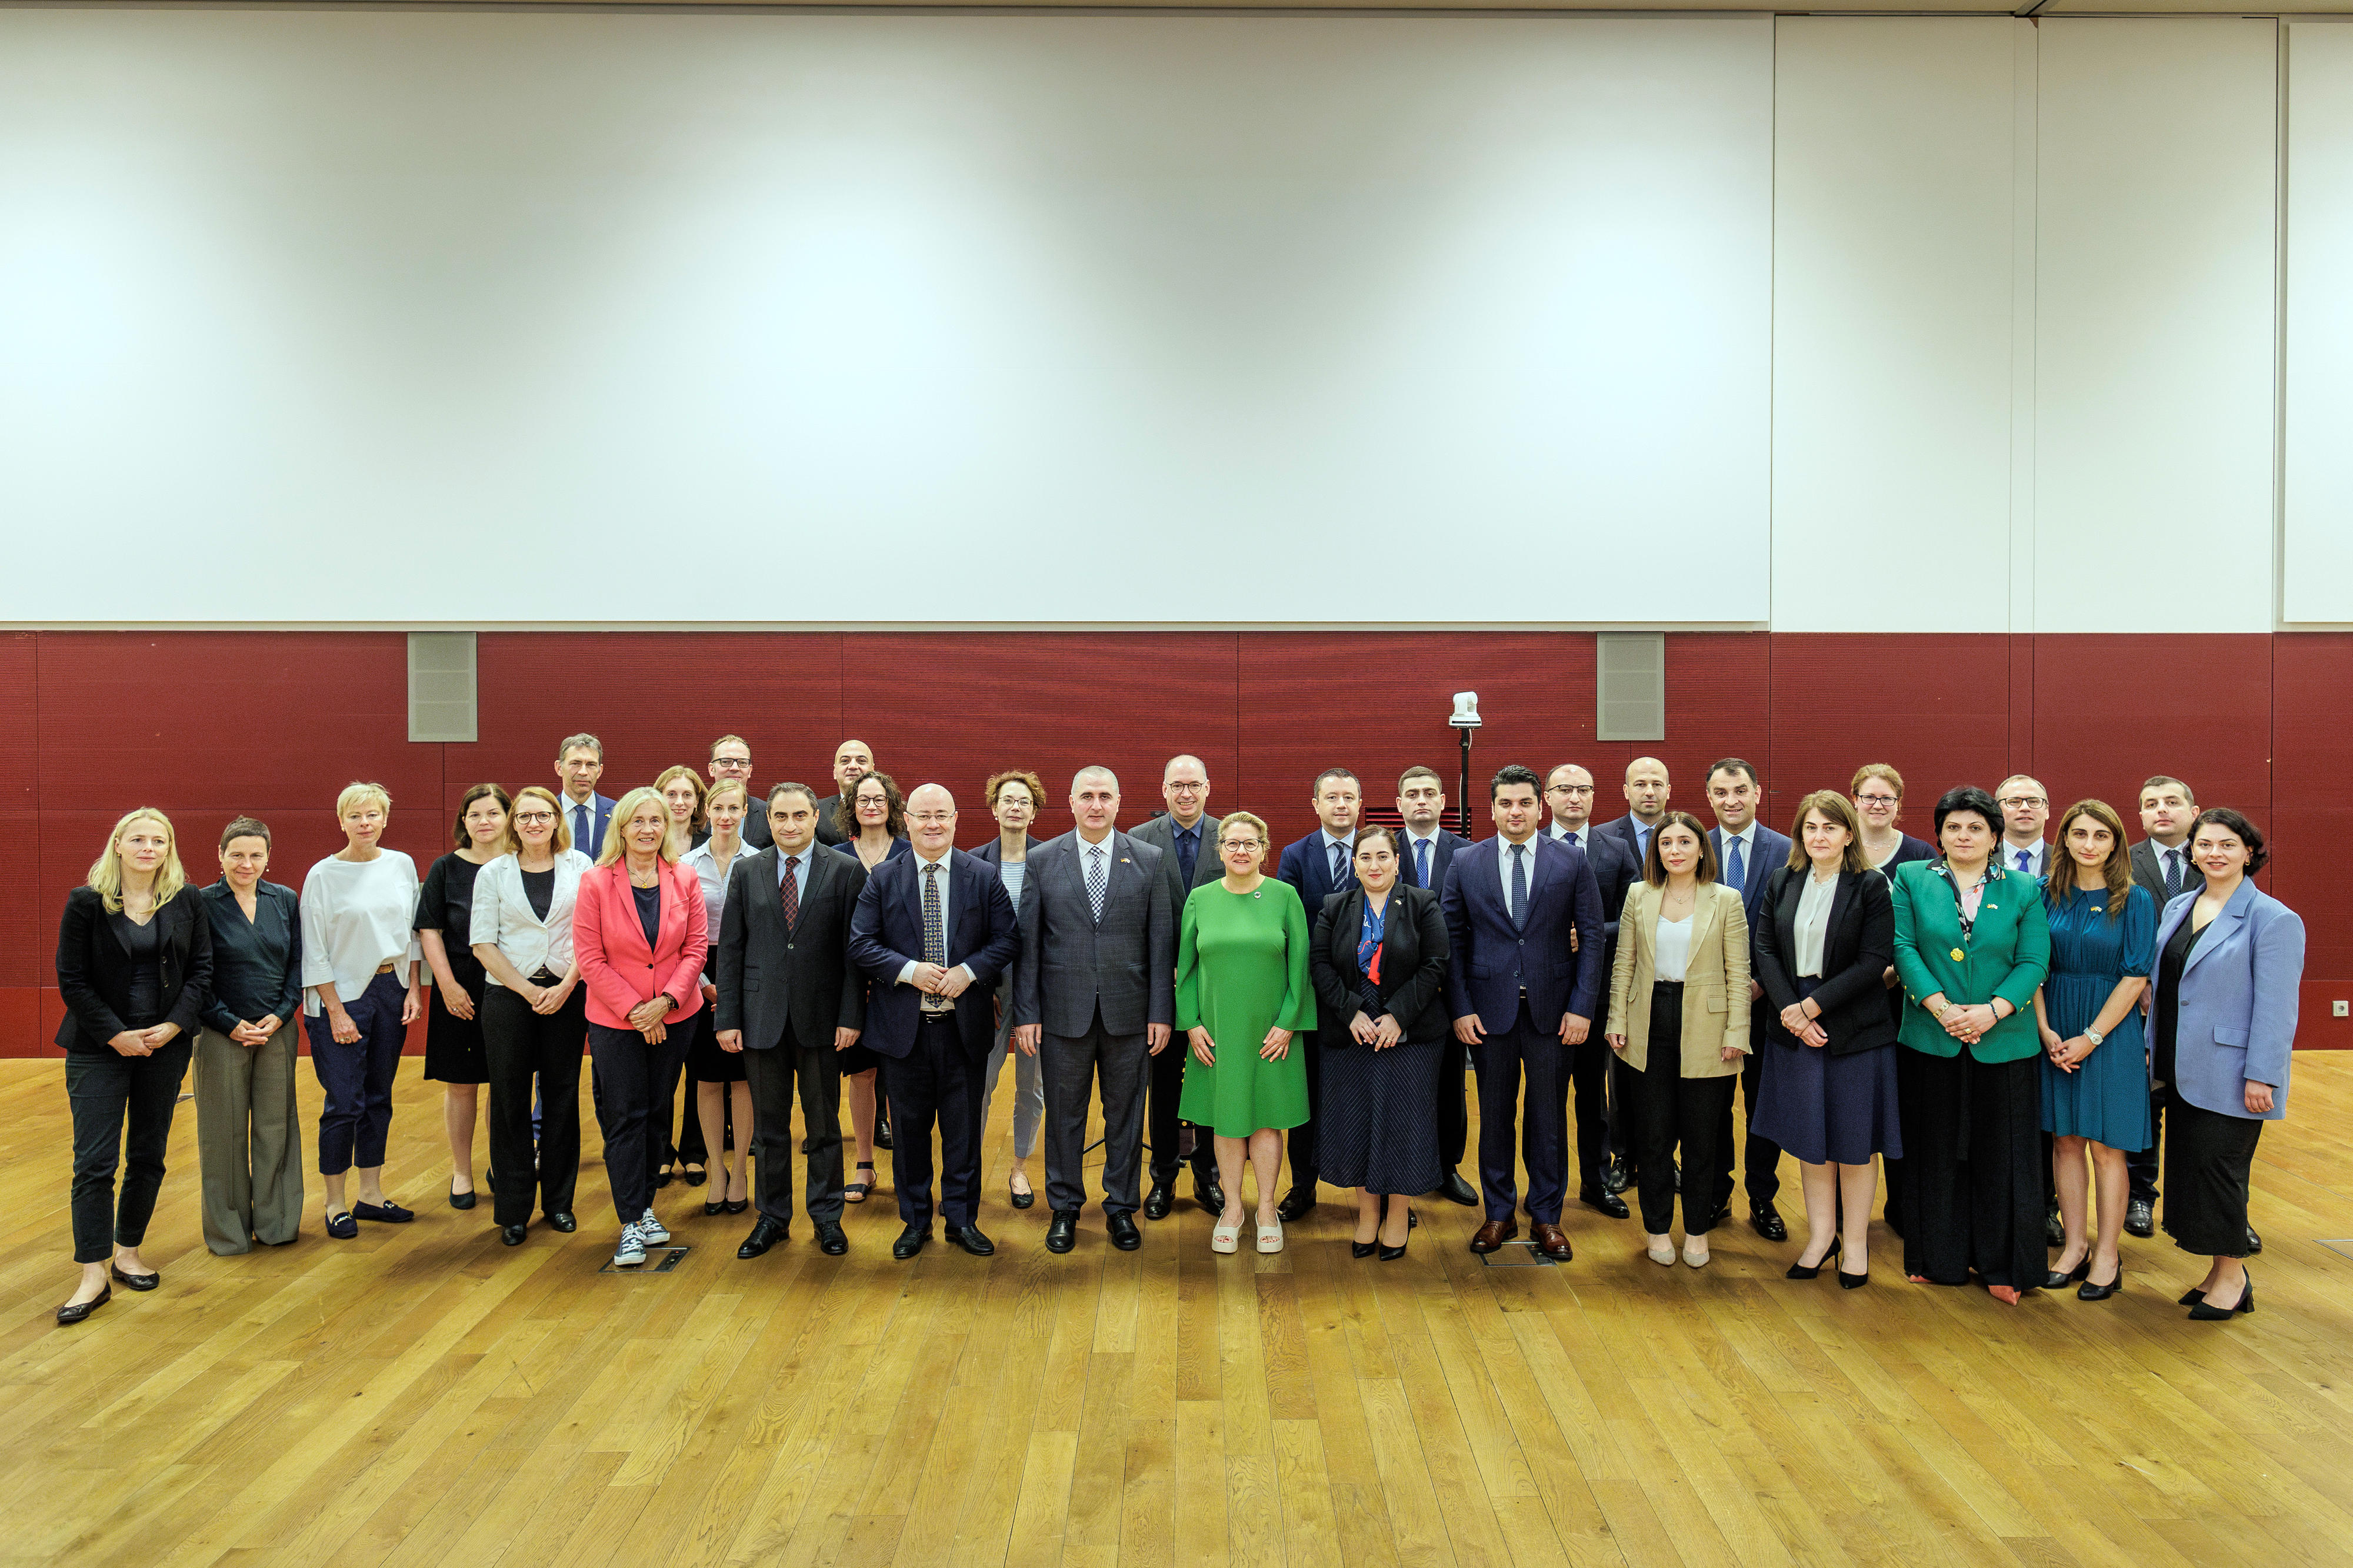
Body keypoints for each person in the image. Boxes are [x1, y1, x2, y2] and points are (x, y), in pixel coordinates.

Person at [1889, 786, 2052, 1303]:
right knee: (1934, 1152)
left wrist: (1992, 1011)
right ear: (1938, 834)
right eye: (1954, 827)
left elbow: (2034, 961)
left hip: (2003, 1041)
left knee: (2003, 1156)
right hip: (1930, 1038)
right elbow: (1903, 946)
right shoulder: (1912, 878)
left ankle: (2004, 1267)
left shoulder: (2025, 886)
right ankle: (1937, 1258)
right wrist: (1940, 1008)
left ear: (1995, 836)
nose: (1964, 836)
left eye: (1976, 827)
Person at [847, 783, 1020, 1260]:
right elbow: (861, 944)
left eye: (942, 815)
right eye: (923, 816)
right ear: (907, 820)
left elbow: (1008, 940)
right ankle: (915, 1221)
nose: (933, 824)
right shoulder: (883, 878)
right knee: (908, 1134)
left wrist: (968, 972)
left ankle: (962, 1221)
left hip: (963, 1030)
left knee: (963, 1134)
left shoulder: (982, 876)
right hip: (903, 1032)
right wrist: (910, 971)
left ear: (957, 819)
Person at [52, 808, 212, 1324]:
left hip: (164, 1046)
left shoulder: (187, 900)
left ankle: (128, 1252)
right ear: (118, 845)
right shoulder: (86, 903)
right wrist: (116, 1034)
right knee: (94, 1163)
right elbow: (72, 980)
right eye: (138, 839)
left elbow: (202, 970)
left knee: (148, 1153)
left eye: (159, 840)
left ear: (169, 849)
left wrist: (172, 1028)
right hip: (99, 1047)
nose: (149, 847)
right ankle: (93, 1272)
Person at [1442, 765, 1605, 1262]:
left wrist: (1582, 1007)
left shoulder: (1572, 861)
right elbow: (1451, 941)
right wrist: (1461, 1008)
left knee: (1548, 1119)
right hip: (1488, 1016)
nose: (1516, 812)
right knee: (1494, 1118)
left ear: (1541, 806)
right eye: (1506, 804)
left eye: (1525, 803)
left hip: (1554, 1015)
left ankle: (1547, 1216)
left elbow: (1593, 937)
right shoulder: (1465, 862)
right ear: (1491, 810)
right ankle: (1498, 1214)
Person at [1012, 766, 1176, 1255]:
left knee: (1125, 1115)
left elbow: (1160, 943)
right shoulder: (1042, 860)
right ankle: (1064, 1207)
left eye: (1105, 796)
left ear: (1120, 802)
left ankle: (1121, 1208)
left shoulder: (1148, 858)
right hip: (1063, 1014)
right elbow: (1029, 945)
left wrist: (1161, 1013)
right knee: (1065, 1115)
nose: (1096, 805)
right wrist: (1027, 1013)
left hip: (1131, 1014)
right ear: (1071, 802)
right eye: (1087, 796)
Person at [2152, 808, 2300, 1321]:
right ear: (2191, 851)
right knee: (2194, 1171)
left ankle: (2234, 1278)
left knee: (2222, 1172)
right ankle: (2219, 1271)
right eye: (2205, 844)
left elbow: (2278, 1009)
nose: (2215, 853)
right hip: (2179, 1064)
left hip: (2234, 1073)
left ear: (2250, 853)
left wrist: (2264, 1074)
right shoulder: (2178, 905)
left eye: (2228, 845)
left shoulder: (2274, 919)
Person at [715, 782, 869, 1259]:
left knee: (823, 1126)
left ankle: (826, 1218)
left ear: (814, 818)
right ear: (768, 821)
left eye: (800, 816)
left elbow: (854, 954)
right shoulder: (747, 871)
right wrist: (728, 1017)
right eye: (780, 817)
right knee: (769, 1128)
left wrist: (851, 1014)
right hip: (760, 1019)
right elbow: (732, 949)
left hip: (823, 1020)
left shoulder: (845, 871)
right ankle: (772, 1218)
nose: (790, 825)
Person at [1751, 792, 1897, 1287]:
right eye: (1810, 828)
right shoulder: (1782, 880)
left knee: (1855, 1144)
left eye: (1830, 829)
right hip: (1793, 1022)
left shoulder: (1872, 885)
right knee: (1812, 1143)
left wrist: (1812, 1007)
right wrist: (1791, 1010)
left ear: (1849, 835)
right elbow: (1765, 948)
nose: (1819, 837)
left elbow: (1875, 962)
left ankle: (1854, 1246)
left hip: (1852, 1027)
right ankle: (1820, 1239)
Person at [573, 787, 710, 1267]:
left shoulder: (685, 877)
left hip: (677, 1014)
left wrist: (666, 1001)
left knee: (657, 1111)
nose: (648, 829)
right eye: (638, 822)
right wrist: (637, 1010)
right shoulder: (595, 882)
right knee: (625, 1116)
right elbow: (590, 959)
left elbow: (695, 950)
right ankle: (630, 1220)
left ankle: (647, 1204)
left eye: (655, 821)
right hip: (616, 1020)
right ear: (622, 828)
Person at [1607, 812, 1749, 1268]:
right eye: (1666, 843)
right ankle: (1656, 1229)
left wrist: (1737, 1033)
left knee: (1702, 1139)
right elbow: (1624, 963)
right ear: (1657, 852)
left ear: (1701, 849)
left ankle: (1697, 1232)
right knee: (1652, 1137)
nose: (1675, 850)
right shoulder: (1639, 895)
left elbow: (1738, 973)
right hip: (1648, 1021)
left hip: (1708, 1028)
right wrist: (1616, 1018)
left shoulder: (1726, 899)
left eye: (1685, 842)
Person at [1175, 812, 1316, 1256]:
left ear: (1264, 848)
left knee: (1268, 1121)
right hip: (1215, 1031)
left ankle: (1269, 1208)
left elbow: (1301, 968)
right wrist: (1191, 1023)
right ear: (1220, 850)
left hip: (1273, 1033)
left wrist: (1288, 1024)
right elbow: (1185, 970)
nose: (1241, 851)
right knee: (1226, 1120)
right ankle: (1233, 1210)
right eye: (1232, 844)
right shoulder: (1199, 899)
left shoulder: (1284, 896)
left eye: (1250, 844)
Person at [2034, 799, 2156, 1302]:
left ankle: (2108, 1253)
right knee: (2065, 1141)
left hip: (2110, 1029)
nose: (2088, 844)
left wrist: (2093, 1037)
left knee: (2108, 1149)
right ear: (2063, 839)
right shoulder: (2044, 893)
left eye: (2100, 836)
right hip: (2055, 1026)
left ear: (2115, 844)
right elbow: (2032, 963)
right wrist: (2044, 1028)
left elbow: (2135, 976)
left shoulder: (2136, 899)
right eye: (2079, 834)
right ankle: (2074, 1247)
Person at [1309, 826, 1448, 1261]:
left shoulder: (1422, 903)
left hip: (1409, 1034)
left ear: (1397, 861)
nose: (1374, 865)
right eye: (1365, 857)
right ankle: (1367, 1216)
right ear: (1354, 864)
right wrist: (1350, 1010)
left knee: (1403, 1126)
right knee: (1355, 1125)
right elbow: (1318, 964)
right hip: (1350, 1031)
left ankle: (1397, 1217)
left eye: (1383, 857)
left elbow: (1435, 964)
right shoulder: (1335, 906)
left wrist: (1398, 1016)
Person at [301, 783, 426, 1240]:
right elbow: (313, 951)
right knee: (343, 1103)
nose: (365, 823)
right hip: (340, 998)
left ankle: (370, 1195)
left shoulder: (402, 865)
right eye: (356, 816)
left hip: (390, 991)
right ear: (342, 821)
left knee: (379, 1096)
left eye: (373, 814)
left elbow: (413, 932)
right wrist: (335, 1010)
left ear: (386, 819)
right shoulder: (322, 875)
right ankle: (335, 1203)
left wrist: (413, 987)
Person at [469, 785, 592, 1245]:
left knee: (561, 1098)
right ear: (512, 824)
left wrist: (565, 986)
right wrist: (526, 990)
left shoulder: (580, 866)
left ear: (557, 820)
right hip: (508, 998)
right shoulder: (493, 873)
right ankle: (514, 1209)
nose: (534, 824)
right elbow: (482, 943)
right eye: (524, 817)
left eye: (543, 815)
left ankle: (559, 1203)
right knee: (509, 1101)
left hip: (567, 992)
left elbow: (591, 934)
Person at [194, 818, 304, 1256]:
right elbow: (194, 975)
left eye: (256, 855)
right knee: (223, 1133)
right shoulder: (200, 903)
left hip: (276, 1030)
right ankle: (229, 1233)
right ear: (220, 857)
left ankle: (278, 1223)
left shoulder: (285, 900)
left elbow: (299, 964)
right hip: (221, 1032)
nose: (246, 863)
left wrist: (280, 1016)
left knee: (277, 1127)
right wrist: (227, 1022)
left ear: (268, 859)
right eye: (237, 854)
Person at [1126, 753, 1227, 1216]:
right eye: (1176, 786)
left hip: (1217, 989)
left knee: (1210, 1081)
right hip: (1160, 990)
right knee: (1163, 1086)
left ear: (1208, 788)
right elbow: (1130, 918)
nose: (1185, 794)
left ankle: (1208, 1177)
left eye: (1194, 785)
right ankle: (1163, 1177)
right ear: (1163, 791)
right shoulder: (1137, 841)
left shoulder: (1232, 838)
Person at [1705, 758, 1792, 1242]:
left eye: (1740, 790)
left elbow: (1792, 929)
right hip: (1708, 1002)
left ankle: (1762, 1196)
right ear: (1711, 798)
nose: (1731, 800)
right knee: (1711, 1104)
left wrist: (1760, 981)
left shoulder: (1787, 850)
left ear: (1758, 792)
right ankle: (1716, 1192)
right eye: (1721, 792)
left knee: (1762, 1104)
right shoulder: (1693, 848)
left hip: (1768, 1001)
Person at [1546, 763, 1640, 1212]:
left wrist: (1590, 932)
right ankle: (1549, 1188)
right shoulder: (1532, 847)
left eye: (1584, 789)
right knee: (1546, 1096)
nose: (1575, 798)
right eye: (1565, 790)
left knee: (1592, 1093)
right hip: (1540, 990)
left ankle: (1596, 1181)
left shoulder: (1617, 849)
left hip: (1596, 990)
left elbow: (1635, 914)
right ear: (1548, 797)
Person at [1272, 767, 1363, 1221]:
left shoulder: (1379, 851)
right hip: (1313, 995)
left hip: (1371, 999)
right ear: (1316, 805)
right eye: (1332, 797)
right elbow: (1288, 929)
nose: (1341, 804)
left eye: (1349, 797)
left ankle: (1379, 1190)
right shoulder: (1295, 855)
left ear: (1360, 804)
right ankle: (1303, 1187)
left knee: (1367, 1097)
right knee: (1306, 1097)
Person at [415, 782, 509, 1211]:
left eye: (492, 813)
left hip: (510, 987)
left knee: (506, 1085)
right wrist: (447, 985)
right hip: (460, 988)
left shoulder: (520, 864)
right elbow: (429, 929)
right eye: (475, 815)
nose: (484, 821)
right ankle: (461, 1172)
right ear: (464, 821)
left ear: (508, 817)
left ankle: (502, 1167)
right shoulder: (445, 868)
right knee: (463, 1085)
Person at [1853, 763, 1935, 1231]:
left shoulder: (1920, 855)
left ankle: (1904, 1206)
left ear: (1899, 805)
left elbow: (1925, 932)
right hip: (1851, 1002)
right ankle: (1851, 1209)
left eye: (1887, 798)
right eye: (1869, 796)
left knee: (1904, 1108)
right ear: (1855, 800)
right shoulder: (1839, 849)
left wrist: (1892, 976)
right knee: (1857, 1105)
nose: (1877, 805)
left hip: (1903, 999)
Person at [2124, 774, 2199, 1242]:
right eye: (2151, 803)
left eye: (2172, 802)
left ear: (2194, 812)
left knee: (2202, 1110)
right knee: (2144, 1105)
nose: (2161, 810)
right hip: (2141, 1005)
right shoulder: (2123, 861)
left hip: (2200, 1004)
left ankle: (2210, 1208)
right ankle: (2140, 1197)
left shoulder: (2216, 855)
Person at [1398, 765, 1478, 1208]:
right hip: (1395, 991)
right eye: (1413, 794)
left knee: (1450, 1085)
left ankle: (1447, 1168)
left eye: (1430, 792)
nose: (1422, 800)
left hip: (1451, 989)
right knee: (1402, 1085)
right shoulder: (1382, 850)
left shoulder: (1468, 853)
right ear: (1400, 804)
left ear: (1445, 802)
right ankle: (1404, 1171)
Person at [1592, 756, 1671, 1191]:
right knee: (1620, 1073)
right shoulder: (1602, 838)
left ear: (1668, 790)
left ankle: (1663, 1157)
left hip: (1676, 975)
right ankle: (1622, 1156)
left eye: (1657, 783)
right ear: (1625, 791)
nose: (1648, 791)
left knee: (1668, 1071)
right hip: (1617, 972)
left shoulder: (1689, 837)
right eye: (1639, 783)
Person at [972, 770, 1048, 1213]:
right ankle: (969, 1169)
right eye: (1008, 800)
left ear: (1034, 811)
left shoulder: (1051, 859)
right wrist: (984, 986)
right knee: (979, 1083)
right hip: (989, 994)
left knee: (1031, 1086)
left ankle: (1019, 1166)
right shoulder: (975, 862)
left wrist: (1033, 998)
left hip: (1037, 994)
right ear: (995, 808)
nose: (1015, 807)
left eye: (1024, 801)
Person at [680, 779, 755, 1217]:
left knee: (743, 1080)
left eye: (734, 807)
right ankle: (716, 1172)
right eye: (718, 807)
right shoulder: (686, 864)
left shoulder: (760, 862)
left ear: (747, 810)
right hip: (697, 973)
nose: (726, 816)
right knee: (707, 1081)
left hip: (747, 975)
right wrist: (702, 982)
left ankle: (741, 1171)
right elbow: (681, 937)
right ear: (706, 811)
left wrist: (739, 986)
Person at [834, 769, 911, 1187]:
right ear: (850, 808)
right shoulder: (833, 855)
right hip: (849, 986)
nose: (871, 805)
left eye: (880, 798)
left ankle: (905, 1162)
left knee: (899, 1073)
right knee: (861, 1074)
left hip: (901, 982)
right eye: (862, 799)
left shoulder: (912, 853)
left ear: (893, 806)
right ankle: (864, 1162)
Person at [698, 735, 774, 850]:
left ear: (749, 770)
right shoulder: (694, 812)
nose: (735, 768)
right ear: (712, 769)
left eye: (742, 762)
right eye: (726, 762)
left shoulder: (768, 813)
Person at [556, 733, 615, 860]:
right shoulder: (545, 814)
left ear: (600, 771)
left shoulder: (617, 812)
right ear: (559, 768)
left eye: (591, 765)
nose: (583, 772)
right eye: (576, 764)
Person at [812, 738, 875, 849]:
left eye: (861, 761)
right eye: (845, 761)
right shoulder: (817, 810)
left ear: (873, 770)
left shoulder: (892, 808)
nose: (853, 766)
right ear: (835, 772)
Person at [1994, 775, 2052, 880]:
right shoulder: (1983, 860)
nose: (2025, 808)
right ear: (1998, 810)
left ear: (2046, 811)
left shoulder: (2066, 860)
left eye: (2034, 802)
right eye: (2014, 802)